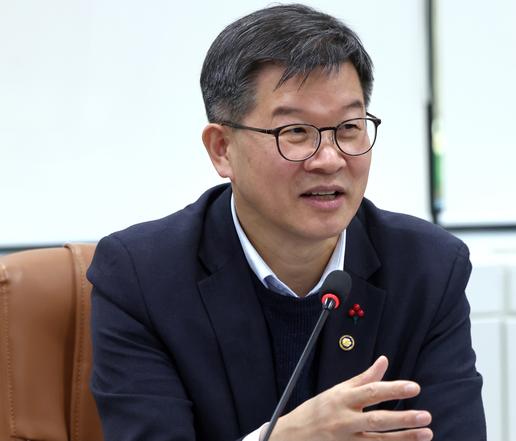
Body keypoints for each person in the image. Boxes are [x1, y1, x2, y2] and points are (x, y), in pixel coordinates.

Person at [87, 4, 486, 441]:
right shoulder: (142, 277)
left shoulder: (428, 268)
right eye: (295, 132)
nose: (329, 159)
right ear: (222, 149)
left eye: (349, 127)